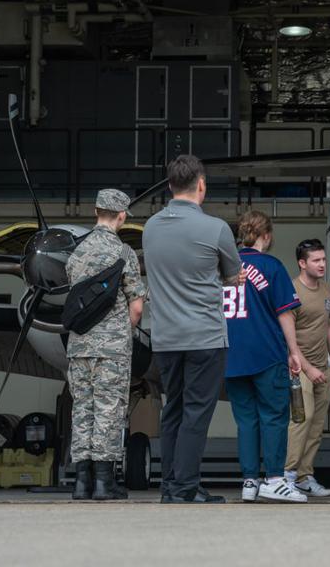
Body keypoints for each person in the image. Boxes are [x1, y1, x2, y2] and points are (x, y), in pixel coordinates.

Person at [143, 154, 246, 504]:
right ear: (201, 184)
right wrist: (222, 276)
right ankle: (185, 486)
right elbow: (234, 277)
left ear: (171, 186)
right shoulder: (215, 229)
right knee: (196, 413)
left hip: (166, 337)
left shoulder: (151, 227)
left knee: (172, 408)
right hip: (204, 334)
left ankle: (171, 484)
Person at [67, 189, 146, 501]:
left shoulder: (76, 253)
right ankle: (104, 483)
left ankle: (80, 483)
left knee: (82, 410)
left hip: (78, 345)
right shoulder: (123, 253)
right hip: (111, 349)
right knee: (108, 411)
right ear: (122, 216)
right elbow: (137, 307)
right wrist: (121, 331)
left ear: (95, 210)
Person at [223, 211, 307, 504]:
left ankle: (249, 480)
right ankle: (274, 478)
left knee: (245, 420)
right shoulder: (271, 266)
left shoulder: (225, 267)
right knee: (273, 417)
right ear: (266, 235)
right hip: (266, 352)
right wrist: (294, 351)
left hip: (231, 353)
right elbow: (285, 313)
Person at [285, 239, 330, 498]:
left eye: (323, 259)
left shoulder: (329, 291)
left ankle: (304, 476)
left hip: (323, 367)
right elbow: (289, 338)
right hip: (298, 367)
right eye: (316, 260)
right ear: (302, 263)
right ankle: (287, 474)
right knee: (300, 420)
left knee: (317, 425)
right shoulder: (291, 291)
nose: (322, 264)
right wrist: (306, 368)